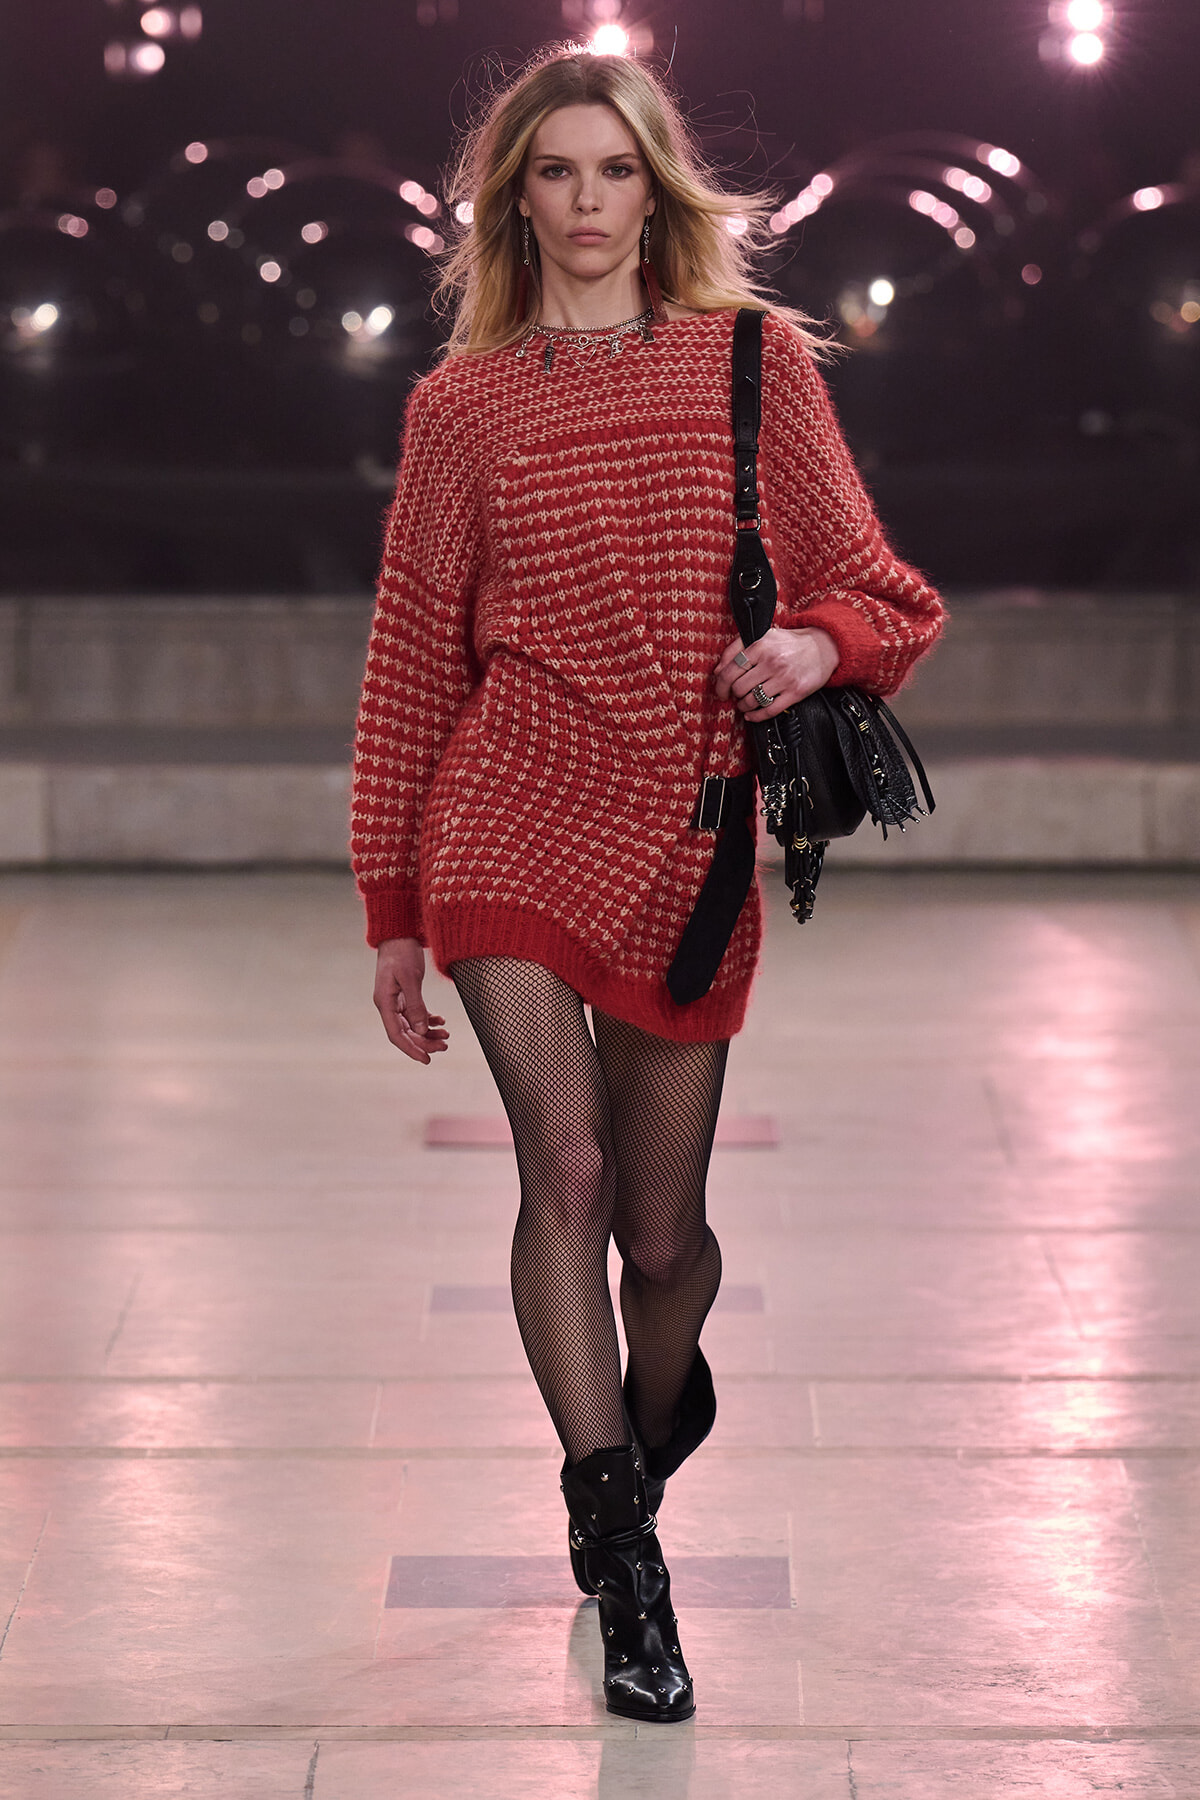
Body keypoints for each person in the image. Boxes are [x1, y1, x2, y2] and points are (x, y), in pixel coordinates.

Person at [350, 46, 945, 1723]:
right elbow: (410, 665)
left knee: (667, 1243)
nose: (589, 204)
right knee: (573, 1170)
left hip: (686, 834)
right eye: (557, 174)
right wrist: (392, 910)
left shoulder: (753, 365)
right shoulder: (460, 405)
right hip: (508, 814)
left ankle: (650, 1413)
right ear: (514, 200)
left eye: (617, 172)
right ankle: (623, 1553)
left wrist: (807, 644)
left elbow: (886, 595)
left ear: (655, 191)